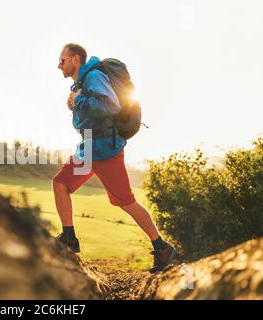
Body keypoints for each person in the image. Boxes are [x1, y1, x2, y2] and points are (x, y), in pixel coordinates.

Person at [53, 43, 176, 273]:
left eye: (62, 60)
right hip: (90, 148)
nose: (59, 65)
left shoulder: (94, 76)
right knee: (61, 183)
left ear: (75, 60)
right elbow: (84, 120)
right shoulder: (81, 84)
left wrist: (77, 101)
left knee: (124, 201)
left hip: (105, 150)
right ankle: (69, 238)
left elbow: (110, 104)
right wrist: (74, 106)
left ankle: (162, 247)